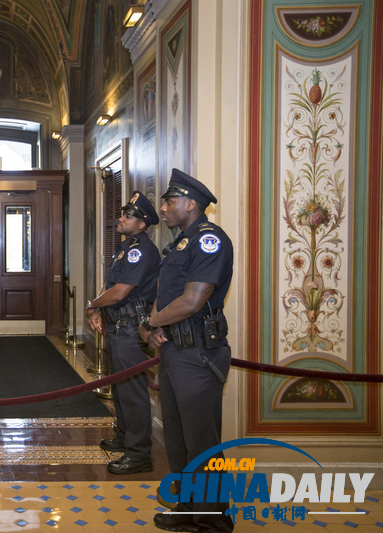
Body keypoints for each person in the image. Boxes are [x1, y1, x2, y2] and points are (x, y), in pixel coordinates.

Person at [139, 169, 234, 533]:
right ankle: (188, 509)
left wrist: (152, 325)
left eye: (169, 201)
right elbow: (166, 295)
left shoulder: (209, 240)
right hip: (176, 351)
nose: (163, 208)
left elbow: (193, 300)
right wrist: (157, 326)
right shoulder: (180, 243)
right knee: (178, 440)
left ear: (191, 204)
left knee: (202, 444)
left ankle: (213, 523)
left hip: (198, 354)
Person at [86, 191, 160, 475]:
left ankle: (139, 453)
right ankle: (125, 437)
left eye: (127, 216)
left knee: (132, 393)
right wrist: (96, 311)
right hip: (117, 326)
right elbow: (110, 287)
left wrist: (92, 304)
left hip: (131, 329)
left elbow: (119, 293)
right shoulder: (125, 248)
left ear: (141, 224)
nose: (121, 218)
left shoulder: (140, 251)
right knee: (119, 388)